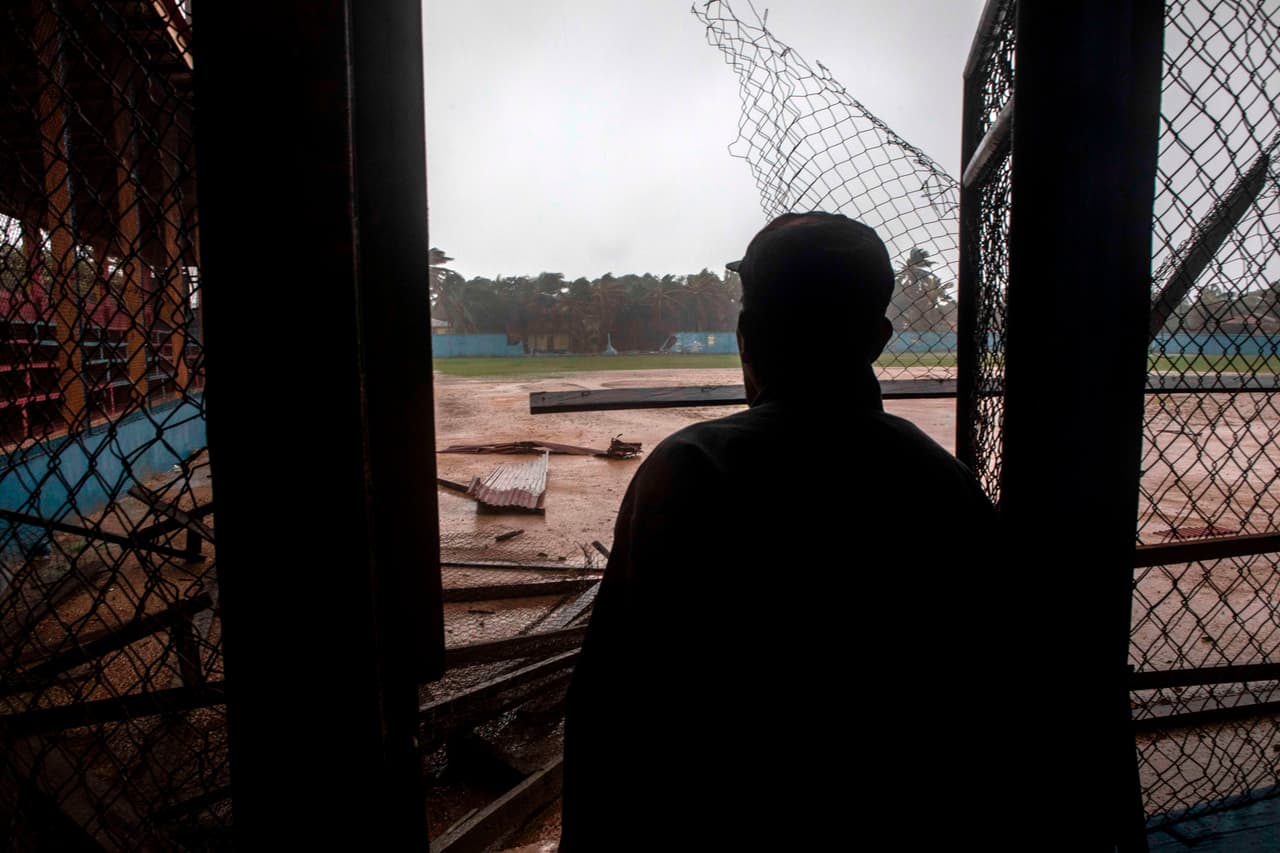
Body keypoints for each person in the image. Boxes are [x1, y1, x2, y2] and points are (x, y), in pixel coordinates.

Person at [560, 212, 1012, 850]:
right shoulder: (947, 484)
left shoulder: (691, 469)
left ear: (746, 335)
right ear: (879, 339)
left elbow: (616, 713)